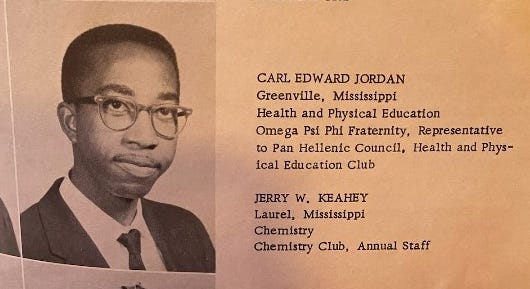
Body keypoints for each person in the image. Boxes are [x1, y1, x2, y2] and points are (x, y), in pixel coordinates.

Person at [20, 24, 215, 272]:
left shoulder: (188, 231)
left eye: (164, 110)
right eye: (117, 105)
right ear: (71, 122)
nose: (146, 138)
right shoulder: (20, 242)